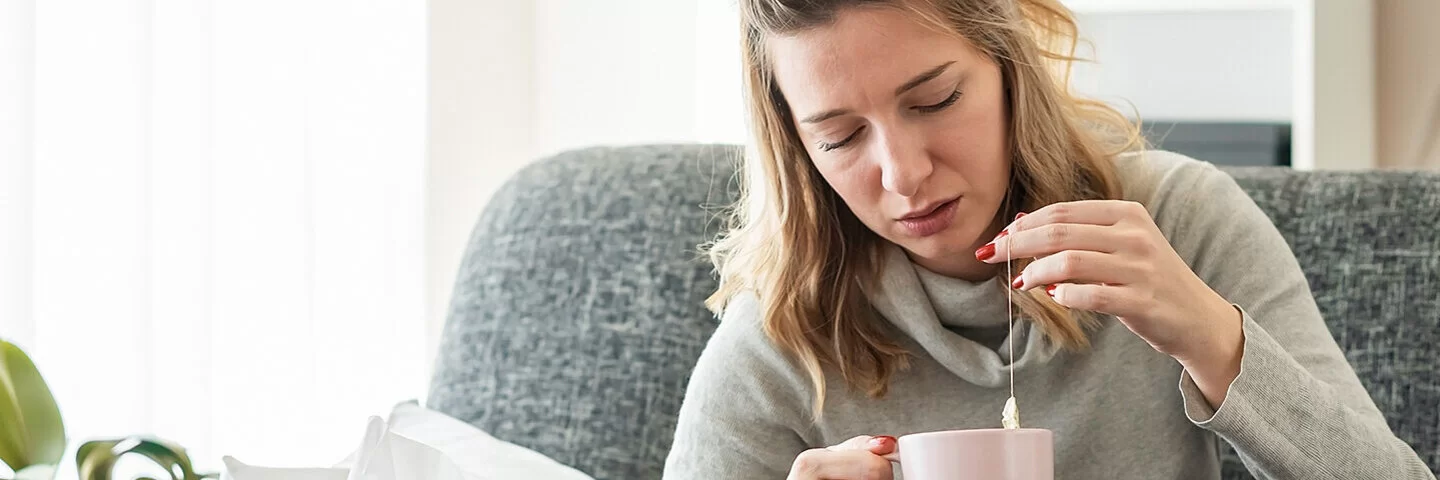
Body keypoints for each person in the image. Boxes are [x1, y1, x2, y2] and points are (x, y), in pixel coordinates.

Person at [661, 0, 1435, 479]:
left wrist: (1209, 336)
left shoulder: (1183, 221)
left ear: (1007, 68)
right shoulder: (782, 330)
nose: (904, 174)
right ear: (796, 146)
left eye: (934, 100)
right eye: (839, 137)